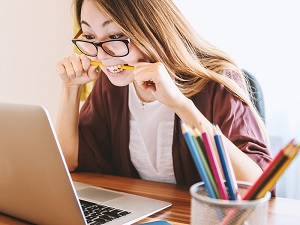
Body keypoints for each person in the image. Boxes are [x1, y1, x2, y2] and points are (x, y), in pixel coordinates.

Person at [56, 0, 273, 190]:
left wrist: (180, 104)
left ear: (151, 29)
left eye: (115, 35)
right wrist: (71, 88)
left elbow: (256, 187)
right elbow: (68, 161)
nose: (102, 55)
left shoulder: (217, 82)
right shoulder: (111, 85)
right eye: (91, 36)